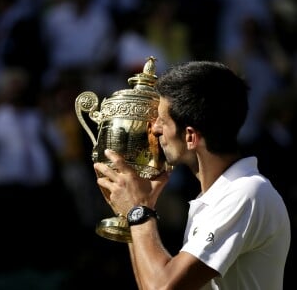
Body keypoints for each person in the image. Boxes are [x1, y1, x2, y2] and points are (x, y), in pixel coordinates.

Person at [93, 60, 291, 289]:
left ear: (190, 136)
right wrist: (132, 214)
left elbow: (162, 287)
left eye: (162, 121)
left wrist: (138, 211)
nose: (154, 129)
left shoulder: (246, 194)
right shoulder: (219, 195)